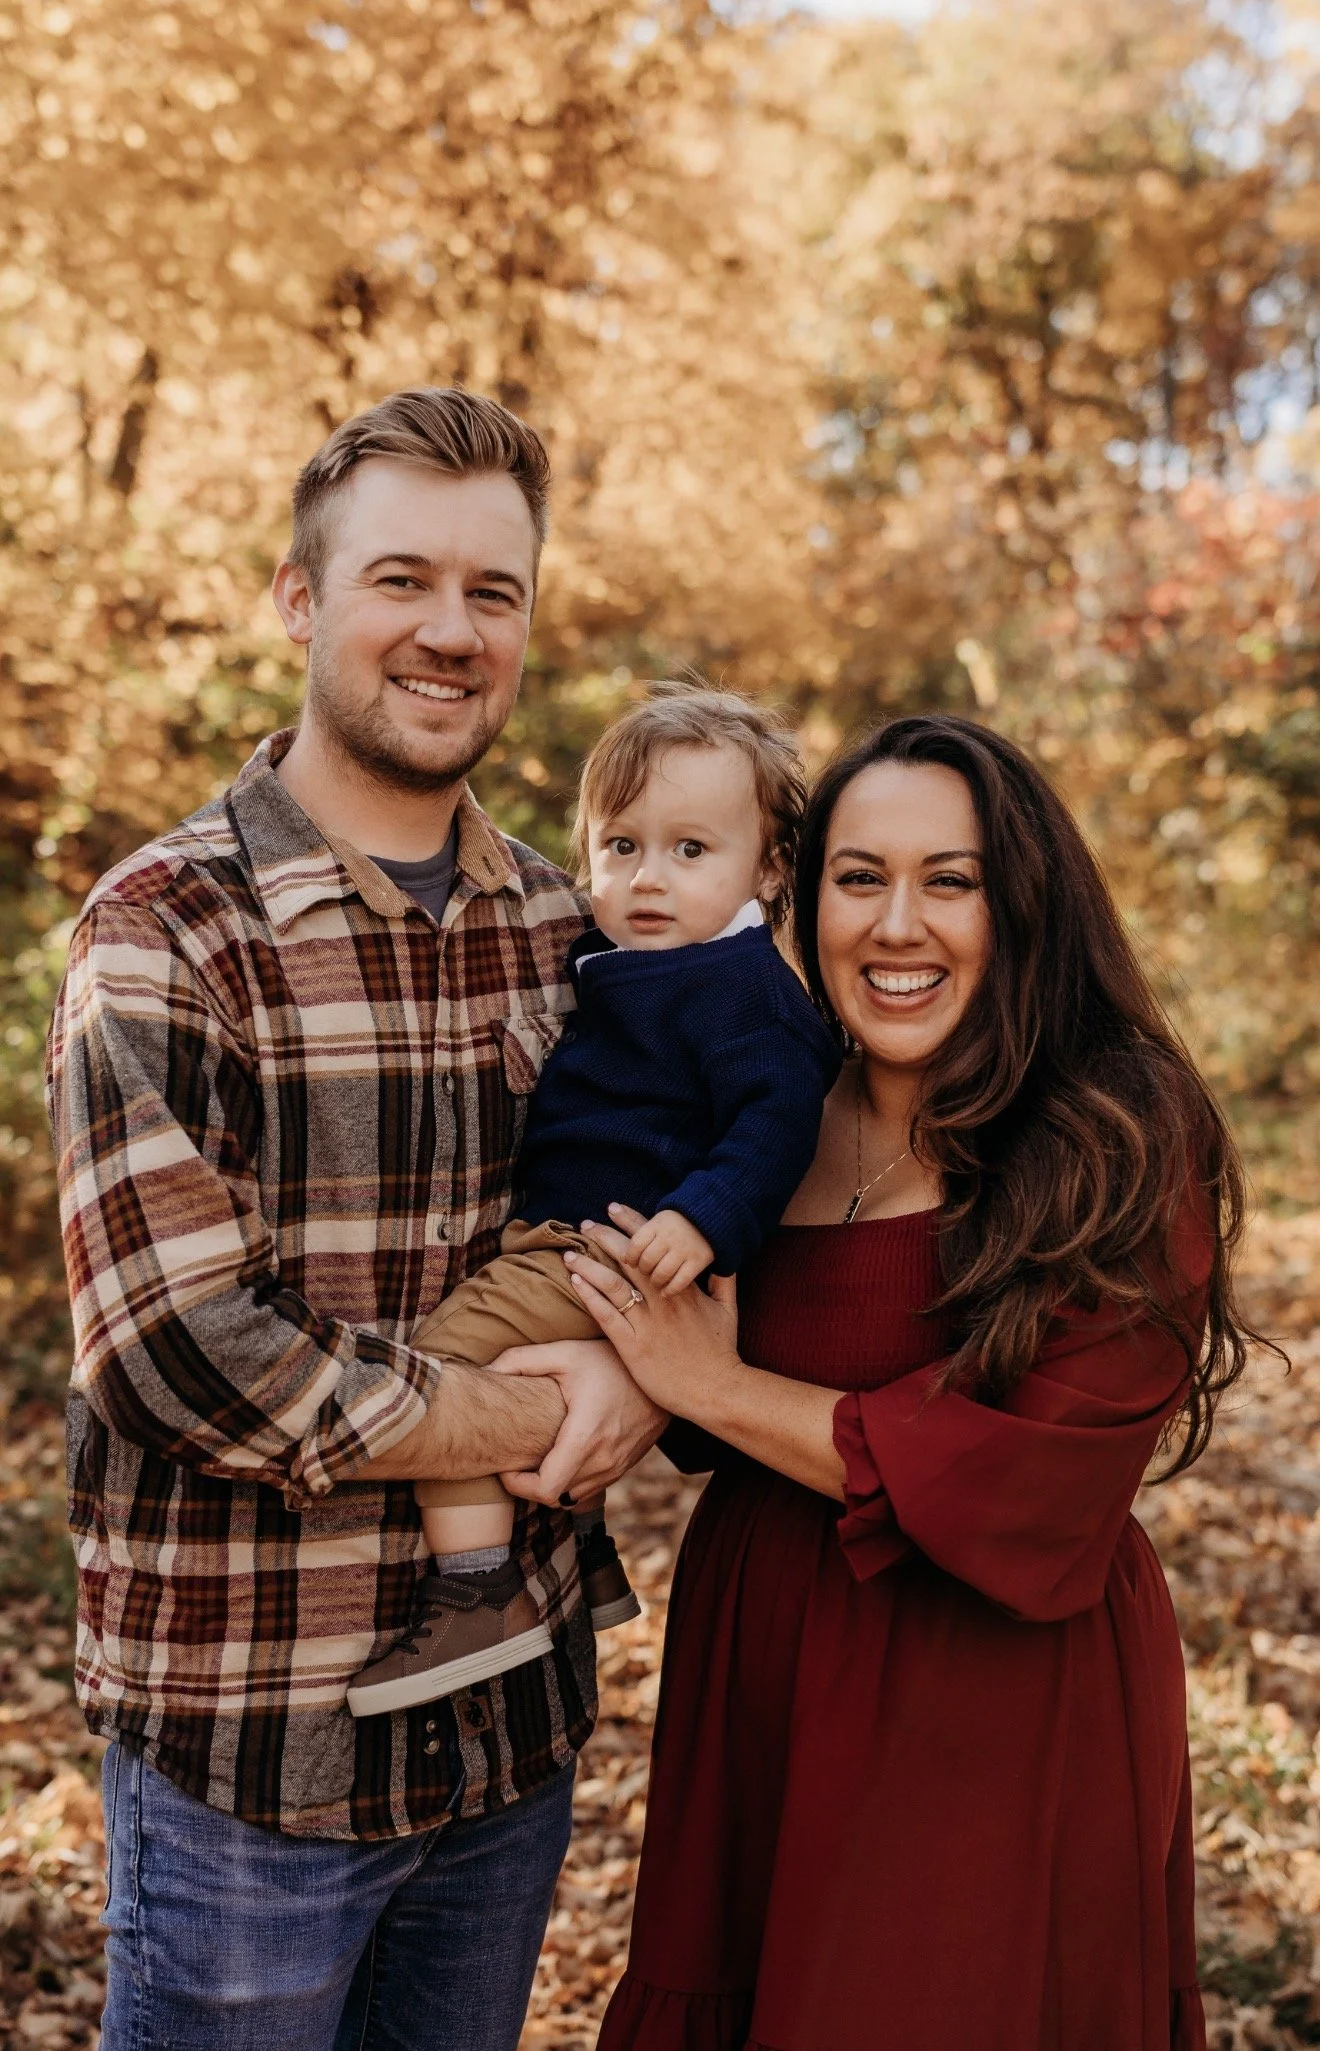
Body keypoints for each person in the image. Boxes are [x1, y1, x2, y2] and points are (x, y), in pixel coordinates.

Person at [45, 387, 664, 2051]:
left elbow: (667, 1203)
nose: (450, 632)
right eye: (401, 580)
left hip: (510, 1736)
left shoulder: (571, 929)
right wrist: (532, 1409)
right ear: (301, 601)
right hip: (256, 1758)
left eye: (494, 592)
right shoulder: (166, 935)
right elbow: (180, 1351)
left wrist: (656, 1372)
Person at [527, 713, 1264, 2051]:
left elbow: (1045, 1476)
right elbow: (643, 1362)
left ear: (1022, 902)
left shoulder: (1116, 1129)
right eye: (859, 877)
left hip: (996, 1689)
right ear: (798, 895)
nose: (897, 924)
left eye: (952, 878)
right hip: (761, 1652)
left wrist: (717, 1384)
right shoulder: (769, 1107)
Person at [346, 687, 841, 1715]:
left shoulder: (744, 986)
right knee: (517, 1367)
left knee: (443, 1363)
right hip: (567, 1232)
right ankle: (580, 1549)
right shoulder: (627, 960)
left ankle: (477, 1589)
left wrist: (703, 1216)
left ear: (770, 867)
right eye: (620, 845)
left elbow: (778, 1120)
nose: (646, 876)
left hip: (615, 1245)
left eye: (691, 850)